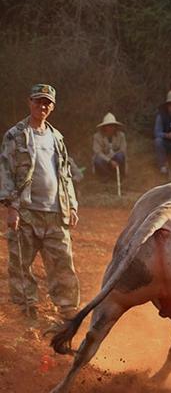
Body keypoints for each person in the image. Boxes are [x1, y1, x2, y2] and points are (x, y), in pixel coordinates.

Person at [0, 84, 80, 320]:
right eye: (38, 101)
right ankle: (27, 311)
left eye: (47, 102)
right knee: (21, 263)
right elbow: (6, 170)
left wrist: (72, 205)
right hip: (25, 210)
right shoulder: (16, 135)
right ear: (29, 102)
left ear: (52, 107)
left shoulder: (57, 137)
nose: (42, 106)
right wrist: (11, 206)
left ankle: (67, 311)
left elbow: (65, 173)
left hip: (56, 211)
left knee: (62, 262)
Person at [92, 112, 127, 179]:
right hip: (104, 160)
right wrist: (109, 161)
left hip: (116, 158)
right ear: (104, 127)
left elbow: (123, 150)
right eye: (108, 125)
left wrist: (115, 158)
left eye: (112, 125)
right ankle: (106, 176)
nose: (111, 127)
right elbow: (98, 152)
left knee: (120, 155)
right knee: (98, 160)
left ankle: (119, 175)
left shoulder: (121, 136)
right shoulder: (97, 136)